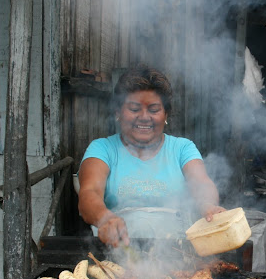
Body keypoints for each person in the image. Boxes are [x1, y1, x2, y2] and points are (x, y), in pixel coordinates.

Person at [77, 65, 225, 247]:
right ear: (118, 112)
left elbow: (202, 183)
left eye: (154, 110)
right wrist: (104, 218)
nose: (144, 117)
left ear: (165, 115)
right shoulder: (103, 148)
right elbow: (89, 193)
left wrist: (208, 205)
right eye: (134, 109)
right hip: (117, 254)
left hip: (179, 255)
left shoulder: (182, 148)